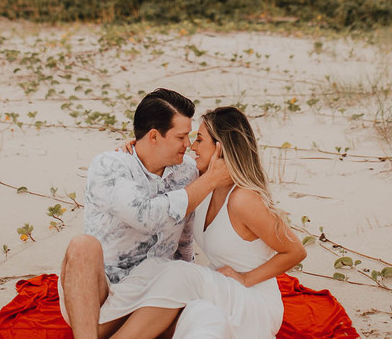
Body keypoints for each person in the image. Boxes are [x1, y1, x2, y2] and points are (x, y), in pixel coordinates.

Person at [97, 106, 307, 339]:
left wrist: (246, 278)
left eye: (199, 139)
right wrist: (140, 148)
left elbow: (295, 251)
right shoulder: (204, 183)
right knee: (175, 289)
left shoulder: (244, 199)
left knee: (179, 273)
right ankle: (100, 328)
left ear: (220, 147)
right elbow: (166, 161)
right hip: (222, 291)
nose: (192, 147)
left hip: (253, 300)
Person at [60, 89, 235, 339]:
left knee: (209, 316)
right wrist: (208, 182)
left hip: (155, 294)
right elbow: (145, 215)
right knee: (82, 246)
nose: (187, 145)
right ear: (154, 136)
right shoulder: (110, 165)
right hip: (102, 293)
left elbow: (185, 237)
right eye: (181, 137)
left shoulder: (187, 171)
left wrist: (191, 276)